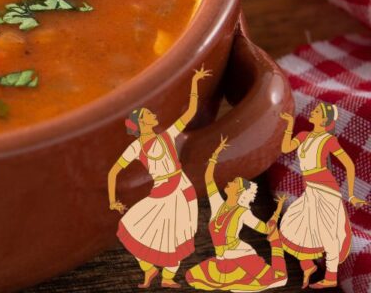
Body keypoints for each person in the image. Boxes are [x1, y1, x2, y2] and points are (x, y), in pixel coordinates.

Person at [109, 66, 211, 288]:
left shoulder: (166, 136)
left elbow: (190, 112)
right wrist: (112, 201)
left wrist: (194, 82)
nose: (153, 115)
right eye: (148, 115)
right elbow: (113, 171)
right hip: (161, 189)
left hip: (179, 188)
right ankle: (150, 271)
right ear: (141, 124)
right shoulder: (137, 147)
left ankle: (167, 278)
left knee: (175, 236)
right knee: (131, 228)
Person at [278, 102, 366, 289]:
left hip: (325, 187)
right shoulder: (303, 135)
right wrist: (287, 126)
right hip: (309, 186)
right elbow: (285, 149)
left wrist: (350, 195)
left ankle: (331, 276)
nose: (313, 112)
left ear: (324, 119)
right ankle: (309, 264)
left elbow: (349, 165)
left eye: (317, 111)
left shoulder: (329, 140)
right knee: (295, 222)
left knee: (329, 231)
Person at [185, 136, 288, 291]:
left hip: (241, 255)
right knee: (192, 277)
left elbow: (264, 228)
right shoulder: (218, 204)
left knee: (274, 279)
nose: (229, 182)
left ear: (239, 191)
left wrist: (275, 224)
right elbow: (209, 181)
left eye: (234, 183)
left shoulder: (242, 212)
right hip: (222, 259)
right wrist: (215, 155)